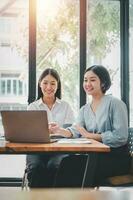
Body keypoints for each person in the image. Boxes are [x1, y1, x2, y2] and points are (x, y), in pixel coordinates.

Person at [51, 65, 131, 187]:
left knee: (72, 167)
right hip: (95, 157)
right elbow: (76, 130)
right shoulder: (85, 109)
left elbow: (121, 136)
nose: (88, 83)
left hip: (116, 159)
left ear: (103, 82)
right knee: (67, 163)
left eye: (92, 80)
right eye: (85, 80)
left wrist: (90, 136)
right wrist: (58, 130)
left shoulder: (116, 104)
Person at [25, 68, 74, 187]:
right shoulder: (33, 107)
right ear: (40, 84)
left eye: (53, 83)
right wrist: (42, 130)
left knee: (56, 166)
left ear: (58, 86)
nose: (49, 87)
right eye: (45, 83)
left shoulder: (65, 106)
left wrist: (59, 130)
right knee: (36, 167)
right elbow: (28, 133)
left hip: (60, 149)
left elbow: (71, 132)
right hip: (36, 149)